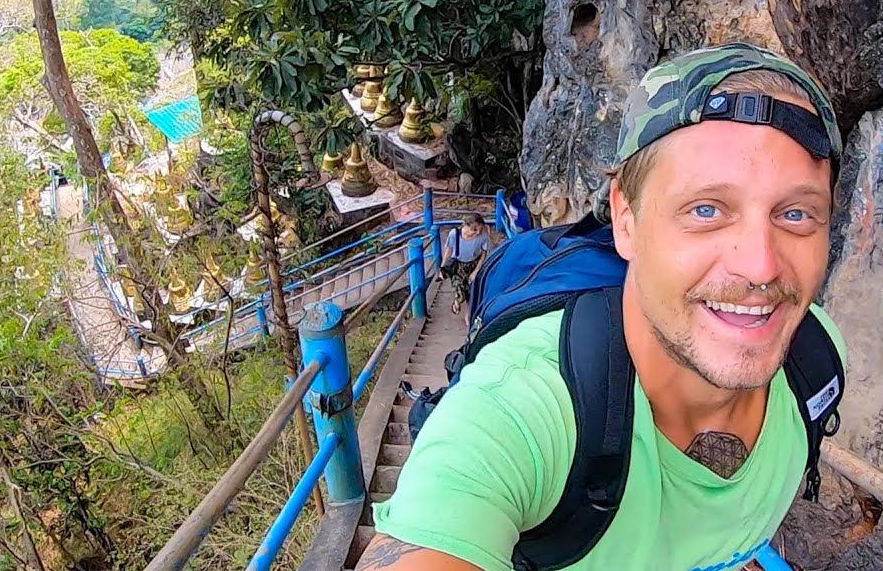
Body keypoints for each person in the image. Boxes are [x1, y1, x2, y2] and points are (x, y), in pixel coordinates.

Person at [359, 43, 848, 571]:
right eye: (706, 209)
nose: (760, 266)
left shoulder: (814, 358)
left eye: (796, 214)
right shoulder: (525, 409)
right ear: (626, 219)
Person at [439, 212, 492, 315]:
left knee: (471, 293)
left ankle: (468, 315)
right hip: (458, 265)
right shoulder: (454, 234)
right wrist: (442, 268)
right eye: (474, 230)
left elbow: (483, 253)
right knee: (459, 289)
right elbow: (448, 251)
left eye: (480, 230)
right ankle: (457, 302)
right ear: (466, 226)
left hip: (473, 265)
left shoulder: (483, 236)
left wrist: (476, 271)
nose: (477, 233)